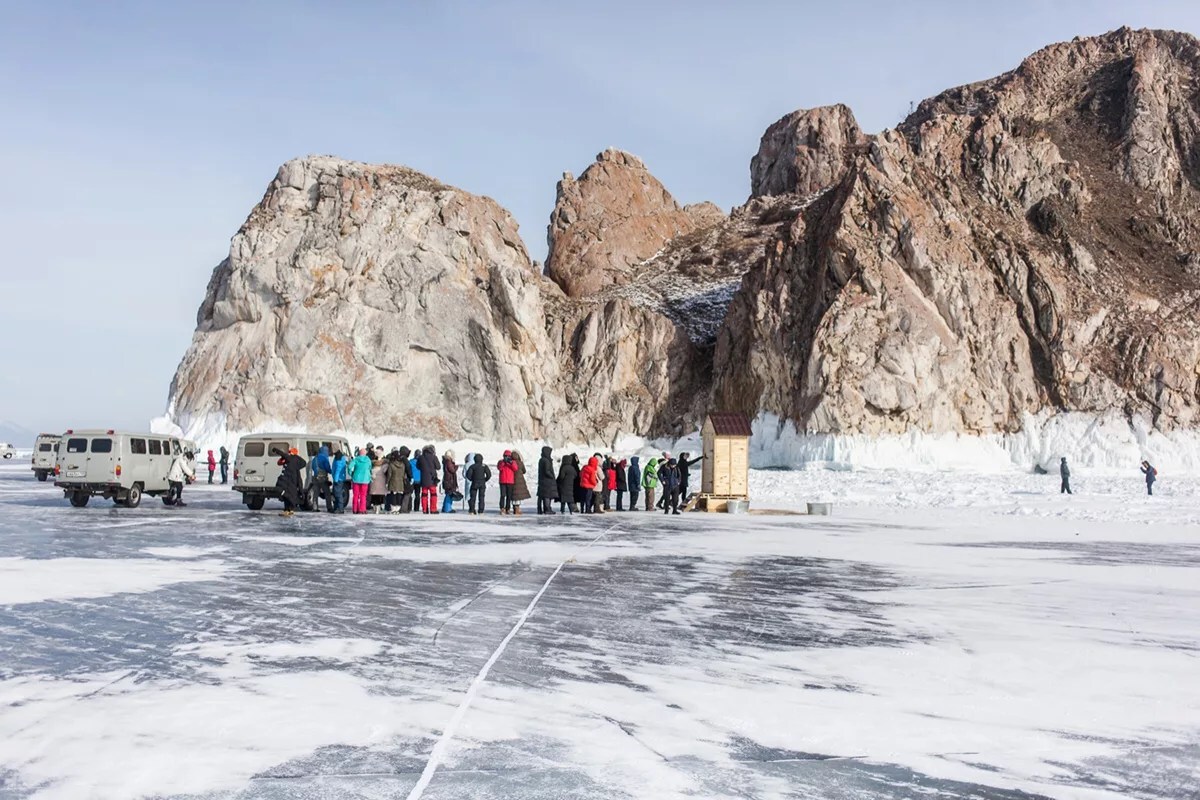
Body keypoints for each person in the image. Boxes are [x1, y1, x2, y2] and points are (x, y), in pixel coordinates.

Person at [276, 447, 307, 517]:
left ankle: (288, 510)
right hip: (291, 482)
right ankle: (289, 509)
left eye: (290, 452)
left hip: (289, 482)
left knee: (287, 495)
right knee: (288, 495)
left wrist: (277, 450)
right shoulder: (294, 463)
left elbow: (282, 457)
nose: (288, 454)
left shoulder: (292, 459)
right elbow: (279, 462)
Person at [350, 447, 373, 514]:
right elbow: (370, 468)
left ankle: (355, 509)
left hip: (356, 479)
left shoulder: (356, 459)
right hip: (365, 480)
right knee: (363, 495)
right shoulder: (368, 460)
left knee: (356, 495)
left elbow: (349, 467)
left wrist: (351, 473)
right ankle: (362, 510)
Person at [537, 445, 558, 514]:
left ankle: (541, 509)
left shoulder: (541, 460)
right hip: (547, 481)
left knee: (542, 495)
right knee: (547, 496)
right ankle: (547, 509)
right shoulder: (546, 460)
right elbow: (547, 471)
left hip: (542, 480)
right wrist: (552, 476)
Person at [419, 445, 440, 513]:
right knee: (433, 494)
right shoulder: (434, 457)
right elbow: (438, 467)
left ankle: (424, 509)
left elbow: (418, 466)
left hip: (424, 479)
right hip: (432, 479)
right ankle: (433, 509)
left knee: (424, 494)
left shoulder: (421, 457)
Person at [312, 445, 333, 511]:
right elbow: (327, 468)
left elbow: (313, 467)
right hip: (323, 478)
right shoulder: (324, 458)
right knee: (327, 493)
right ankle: (329, 507)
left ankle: (315, 507)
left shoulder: (315, 458)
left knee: (315, 494)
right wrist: (331, 471)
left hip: (315, 477)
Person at [511, 450, 531, 515]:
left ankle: (514, 508)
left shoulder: (511, 463)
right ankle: (517, 508)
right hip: (520, 481)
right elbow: (524, 471)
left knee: (514, 495)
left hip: (512, 480)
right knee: (518, 495)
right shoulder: (520, 463)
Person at [408, 447, 422, 512]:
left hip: (412, 480)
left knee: (409, 494)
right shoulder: (422, 462)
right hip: (419, 480)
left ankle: (409, 507)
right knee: (417, 495)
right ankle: (416, 508)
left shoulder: (411, 461)